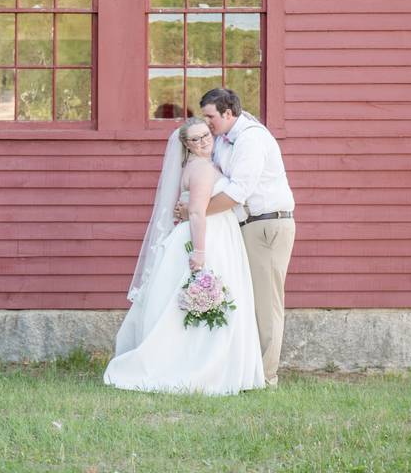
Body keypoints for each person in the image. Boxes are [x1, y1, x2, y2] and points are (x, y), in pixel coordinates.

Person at [103, 117, 265, 395]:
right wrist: (200, 254)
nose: (204, 142)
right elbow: (197, 213)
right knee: (203, 300)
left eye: (206, 136)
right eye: (196, 139)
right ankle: (201, 367)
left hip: (216, 233)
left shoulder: (201, 165)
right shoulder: (201, 168)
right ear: (186, 145)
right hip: (208, 237)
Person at [193, 88, 296, 386]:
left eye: (210, 116)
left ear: (228, 113)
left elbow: (239, 191)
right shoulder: (226, 140)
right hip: (249, 227)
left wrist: (195, 212)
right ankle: (249, 370)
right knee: (250, 301)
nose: (207, 122)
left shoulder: (251, 139)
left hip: (267, 227)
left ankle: (266, 376)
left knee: (267, 304)